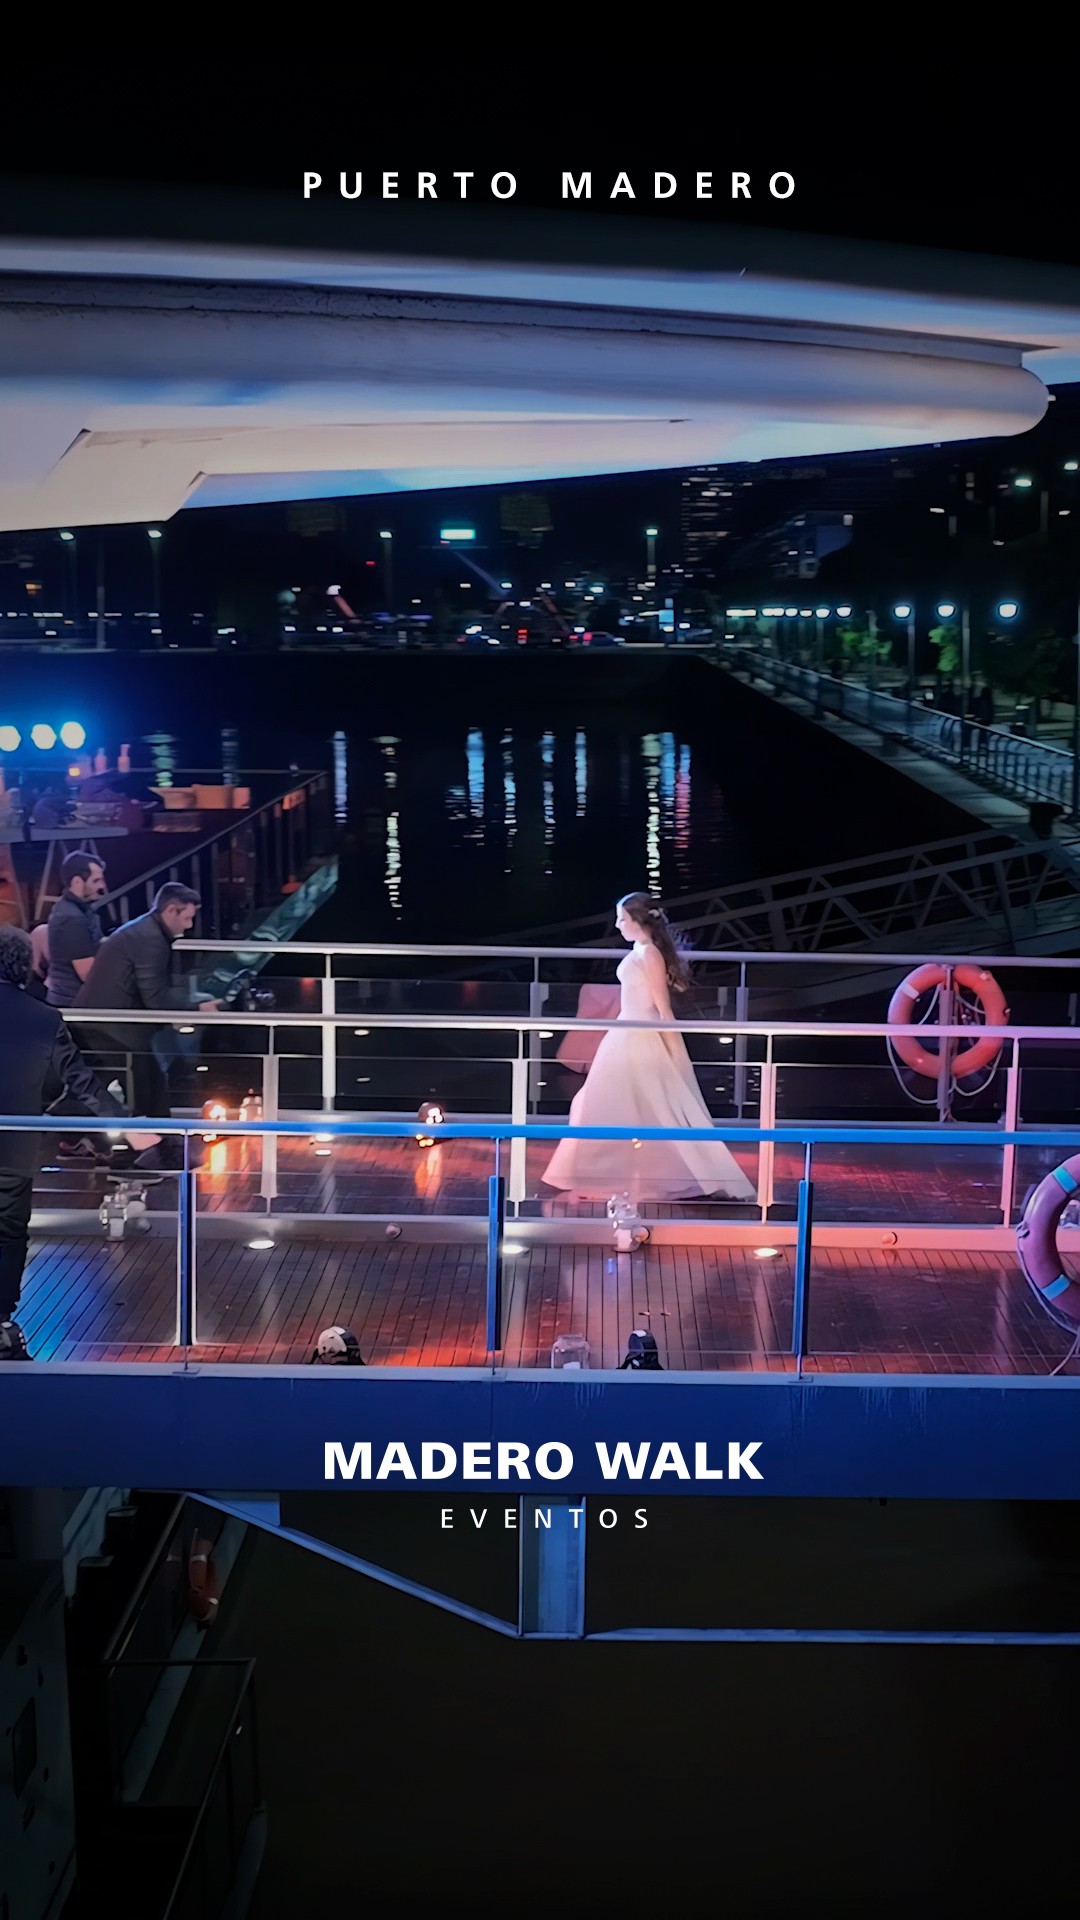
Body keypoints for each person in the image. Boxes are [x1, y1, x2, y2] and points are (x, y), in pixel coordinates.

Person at [542, 892, 755, 1203]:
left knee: (640, 1108)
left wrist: (674, 1050)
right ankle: (608, 1174)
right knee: (608, 1105)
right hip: (624, 1035)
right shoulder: (641, 950)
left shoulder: (649, 954)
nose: (618, 925)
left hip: (639, 1037)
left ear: (639, 921)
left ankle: (632, 1175)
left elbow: (662, 1006)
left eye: (623, 919)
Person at [0, 925, 128, 1356]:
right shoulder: (44, 1018)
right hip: (15, 1151)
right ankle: (1, 1321)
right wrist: (125, 1122)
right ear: (23, 967)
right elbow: (83, 1083)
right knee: (11, 1232)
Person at [73, 882, 220, 1171]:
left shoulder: (146, 930)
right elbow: (155, 997)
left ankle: (157, 1152)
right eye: (187, 918)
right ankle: (136, 1160)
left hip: (107, 1024)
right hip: (109, 1028)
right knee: (143, 1087)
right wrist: (196, 1009)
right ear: (170, 910)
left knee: (149, 1083)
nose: (189, 926)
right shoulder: (151, 939)